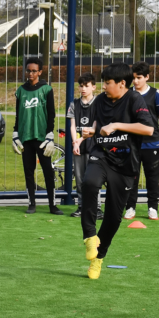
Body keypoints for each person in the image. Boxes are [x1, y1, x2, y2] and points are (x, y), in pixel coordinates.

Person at [80, 63, 155, 279]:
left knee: (113, 217)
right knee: (89, 183)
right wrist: (91, 131)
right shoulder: (100, 100)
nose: (104, 86)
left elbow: (148, 128)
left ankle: (98, 258)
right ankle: (90, 237)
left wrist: (117, 125)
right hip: (101, 154)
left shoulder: (134, 99)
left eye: (107, 83)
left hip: (125, 164)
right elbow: (98, 125)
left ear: (122, 83)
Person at [12, 57, 62, 215]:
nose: (30, 73)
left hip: (42, 138)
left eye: (34, 71)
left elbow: (51, 114)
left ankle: (52, 205)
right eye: (28, 70)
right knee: (29, 171)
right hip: (25, 138)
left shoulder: (46, 89)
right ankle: (31, 203)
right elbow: (18, 114)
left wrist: (50, 134)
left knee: (48, 171)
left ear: (40, 72)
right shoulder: (20, 91)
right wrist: (15, 133)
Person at [123, 62, 159, 221]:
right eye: (134, 78)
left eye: (139, 78)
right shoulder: (128, 93)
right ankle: (130, 207)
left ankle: (152, 208)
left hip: (151, 142)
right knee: (131, 176)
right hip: (131, 143)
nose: (136, 81)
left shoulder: (156, 94)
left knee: (152, 177)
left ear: (147, 77)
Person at [66, 73, 101, 219]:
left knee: (93, 179)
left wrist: (82, 139)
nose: (83, 89)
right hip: (79, 147)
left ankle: (97, 208)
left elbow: (95, 125)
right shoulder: (74, 104)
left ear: (94, 87)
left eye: (86, 86)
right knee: (80, 179)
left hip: (94, 147)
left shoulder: (98, 103)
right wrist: (75, 143)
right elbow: (73, 126)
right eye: (81, 86)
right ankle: (81, 206)